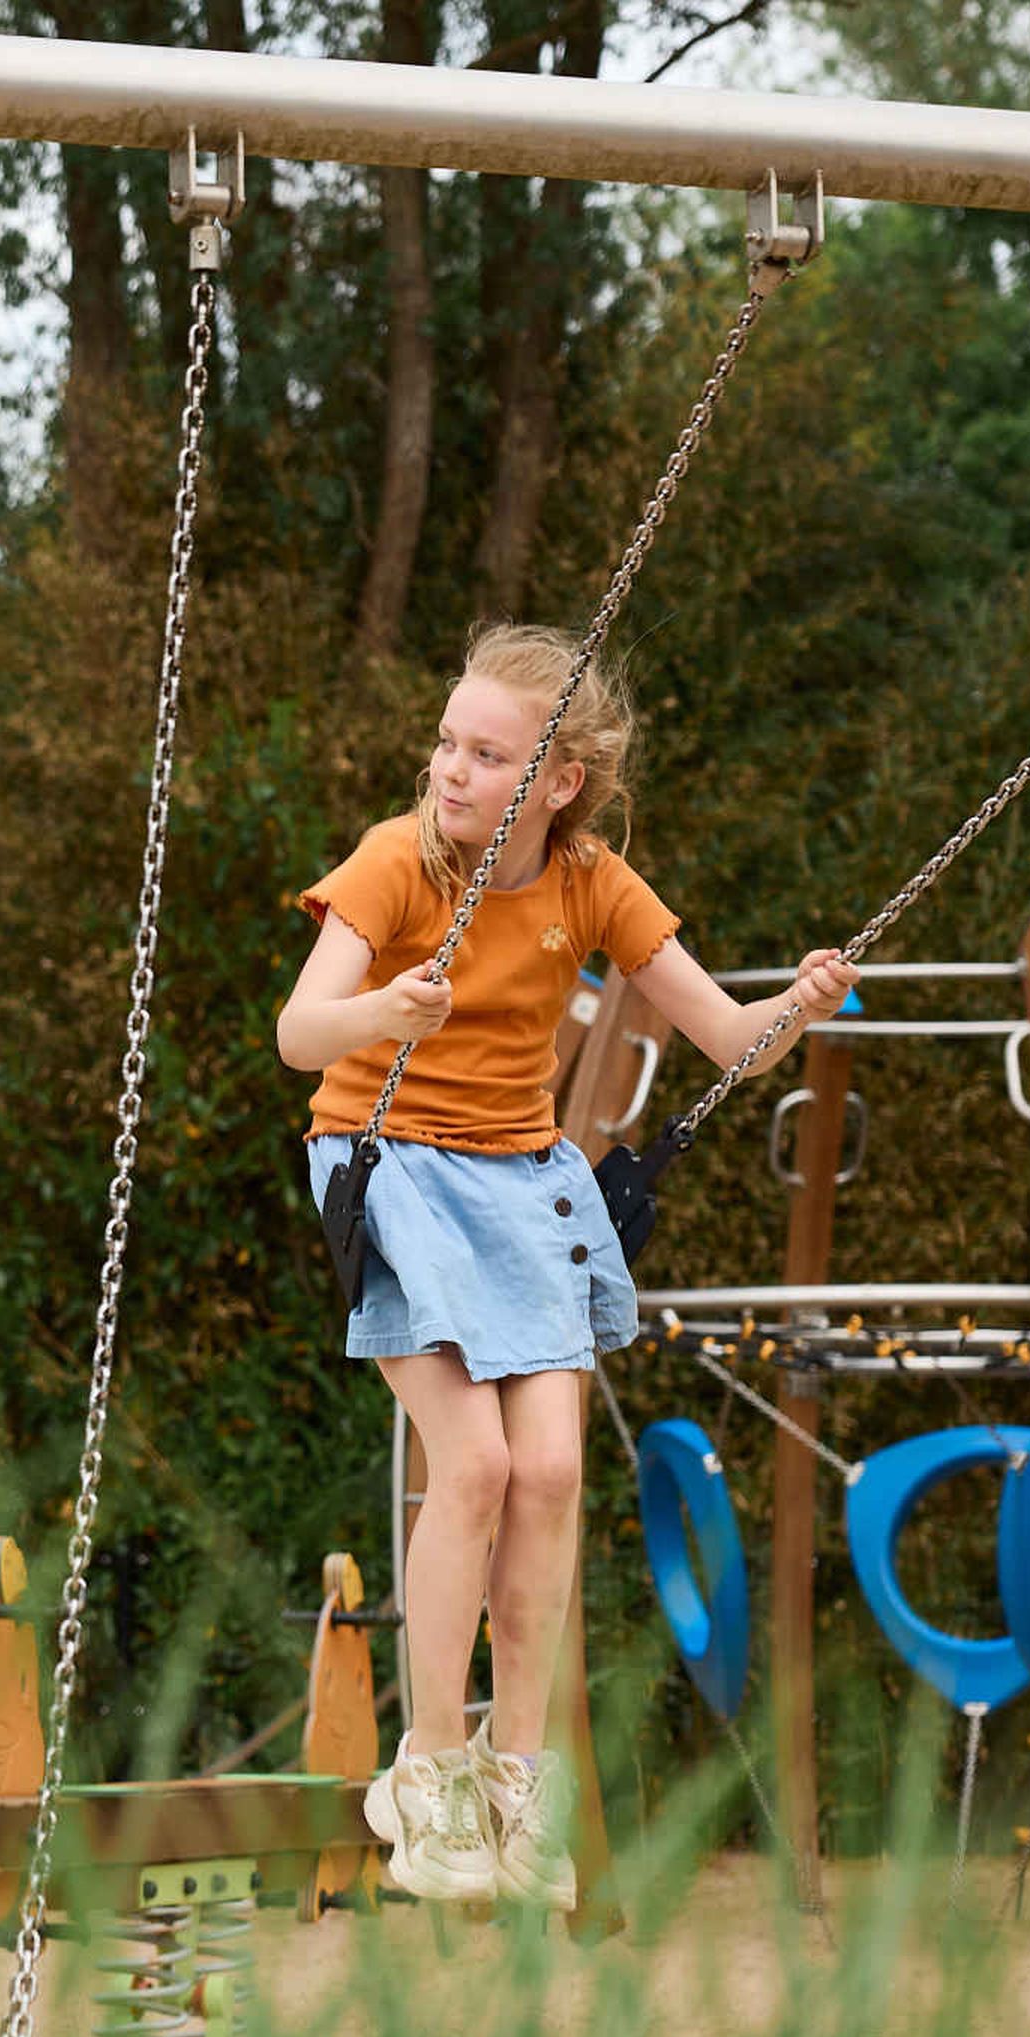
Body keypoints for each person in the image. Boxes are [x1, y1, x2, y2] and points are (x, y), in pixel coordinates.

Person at [276, 624, 855, 1905]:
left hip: (524, 1182)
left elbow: (727, 1040)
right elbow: (298, 1033)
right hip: (393, 1168)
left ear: (557, 784)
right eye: (447, 743)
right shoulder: (397, 863)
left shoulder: (593, 881)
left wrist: (796, 1008)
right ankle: (426, 1770)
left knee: (548, 1467)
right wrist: (387, 1010)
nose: (452, 770)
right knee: (470, 1461)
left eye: (487, 755)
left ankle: (520, 1778)